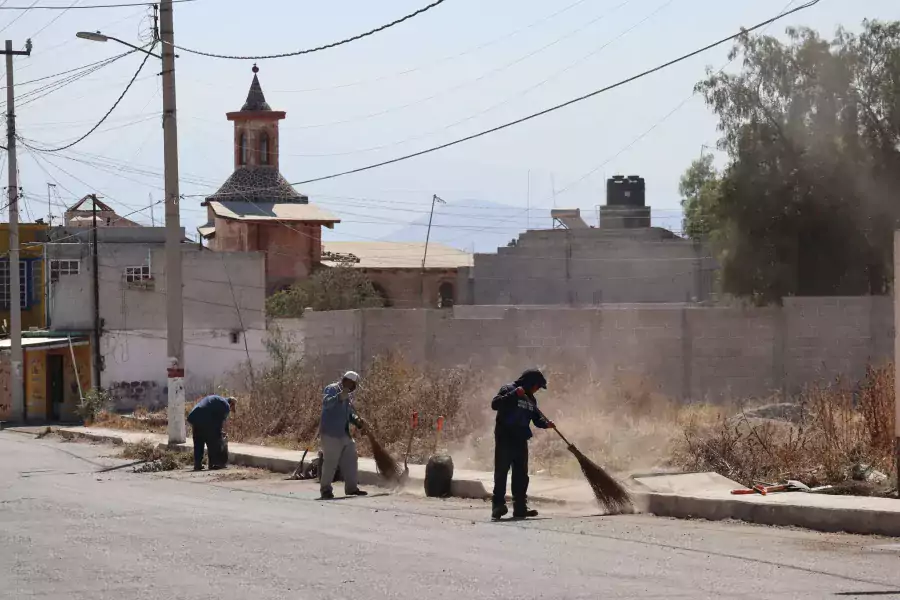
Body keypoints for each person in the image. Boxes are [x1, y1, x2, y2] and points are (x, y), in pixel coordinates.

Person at [490, 368, 555, 520]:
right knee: (501, 473)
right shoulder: (509, 389)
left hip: (520, 440)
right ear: (530, 382)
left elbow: (537, 420)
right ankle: (498, 506)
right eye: (537, 386)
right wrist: (514, 395)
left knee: (521, 476)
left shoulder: (531, 399)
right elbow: (495, 404)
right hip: (505, 439)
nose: (537, 389)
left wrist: (547, 424)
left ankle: (520, 507)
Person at [319, 371, 369, 500]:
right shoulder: (332, 389)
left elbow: (349, 414)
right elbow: (327, 403)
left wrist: (358, 422)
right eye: (353, 384)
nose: (354, 387)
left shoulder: (349, 397)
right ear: (346, 381)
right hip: (331, 433)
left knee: (351, 459)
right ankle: (325, 490)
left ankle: (351, 488)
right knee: (330, 463)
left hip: (344, 434)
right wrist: (339, 397)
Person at [187, 395, 236, 471]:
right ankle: (214, 463)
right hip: (205, 418)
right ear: (231, 404)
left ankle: (197, 464)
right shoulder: (226, 405)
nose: (230, 410)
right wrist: (220, 434)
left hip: (194, 416)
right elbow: (220, 422)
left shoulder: (217, 399)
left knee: (198, 441)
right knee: (213, 440)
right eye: (232, 408)